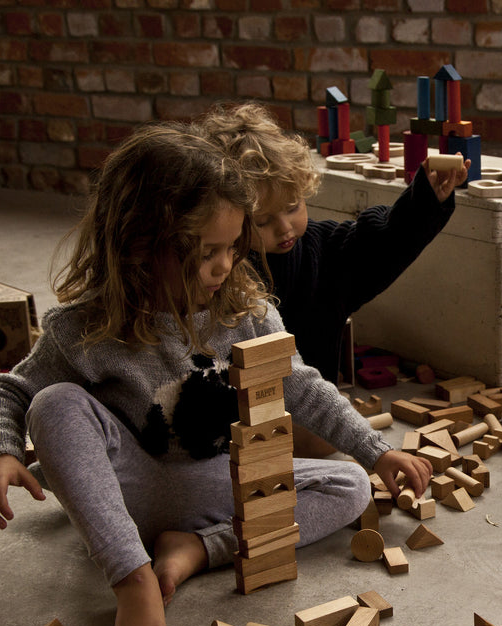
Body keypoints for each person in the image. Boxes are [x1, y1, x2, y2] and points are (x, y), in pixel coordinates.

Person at [0, 123, 432, 626]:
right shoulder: (84, 328)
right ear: (141, 244)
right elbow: (11, 390)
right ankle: (131, 574)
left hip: (215, 483)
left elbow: (300, 384)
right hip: (129, 490)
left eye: (234, 247)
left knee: (349, 485)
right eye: (208, 251)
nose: (225, 266)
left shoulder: (249, 311)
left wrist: (374, 451)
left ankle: (196, 549)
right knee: (54, 405)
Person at [193, 103, 469, 454]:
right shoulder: (218, 272)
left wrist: (427, 200)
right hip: (236, 423)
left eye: (293, 206)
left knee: (326, 439)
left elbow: (382, 244)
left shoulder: (324, 251)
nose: (284, 227)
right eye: (262, 221)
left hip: (309, 411)